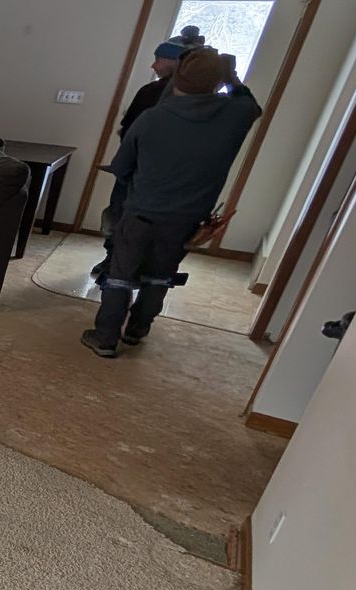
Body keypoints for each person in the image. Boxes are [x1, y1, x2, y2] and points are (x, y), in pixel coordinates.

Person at [81, 47, 261, 357]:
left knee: (121, 275)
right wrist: (231, 76)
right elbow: (250, 104)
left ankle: (106, 337)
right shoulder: (234, 115)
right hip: (188, 218)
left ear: (177, 75)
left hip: (141, 211)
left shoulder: (154, 118)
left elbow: (121, 167)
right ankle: (137, 331)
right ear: (217, 82)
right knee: (159, 274)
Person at [90, 25, 206, 279]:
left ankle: (120, 267)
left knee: (127, 219)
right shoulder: (200, 100)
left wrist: (125, 164)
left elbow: (130, 131)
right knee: (125, 218)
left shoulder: (161, 94)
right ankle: (119, 263)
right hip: (152, 174)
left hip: (148, 175)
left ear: (177, 62)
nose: (154, 66)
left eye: (159, 59)